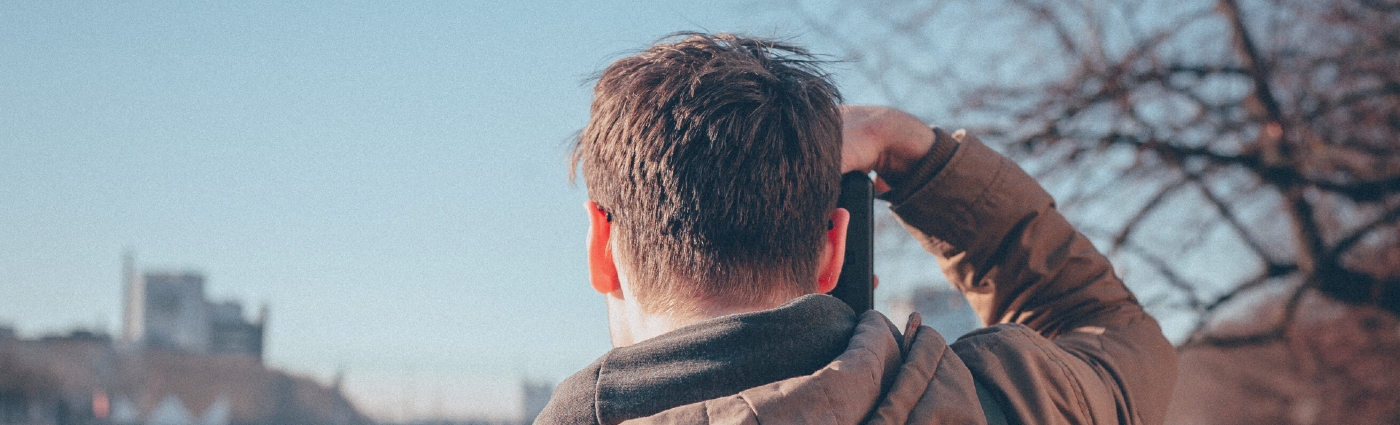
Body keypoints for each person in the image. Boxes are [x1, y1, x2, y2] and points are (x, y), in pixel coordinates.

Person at [537, 33, 1176, 425]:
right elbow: (1115, 334)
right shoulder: (1000, 401)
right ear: (833, 249)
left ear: (603, 250)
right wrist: (910, 151)